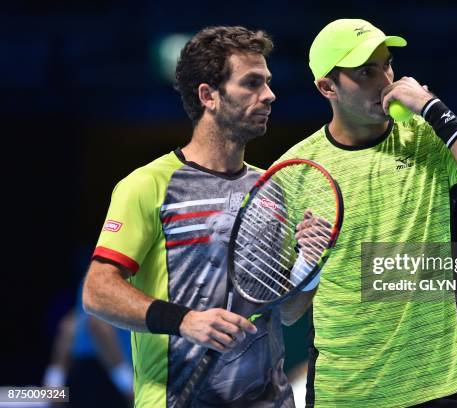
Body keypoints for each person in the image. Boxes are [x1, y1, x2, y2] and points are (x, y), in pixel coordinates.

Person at [276, 19, 457, 407]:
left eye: (386, 65)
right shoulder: (296, 171)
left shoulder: (428, 137)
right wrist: (310, 263)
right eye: (365, 72)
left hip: (441, 386)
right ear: (327, 87)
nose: (385, 80)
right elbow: (288, 312)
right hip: (346, 394)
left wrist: (432, 108)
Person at [83, 26, 302, 407]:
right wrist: (184, 320)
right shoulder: (147, 185)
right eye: (251, 83)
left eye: (266, 82)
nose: (269, 95)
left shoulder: (270, 189)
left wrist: (308, 262)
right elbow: (97, 290)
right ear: (208, 96)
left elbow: (287, 312)